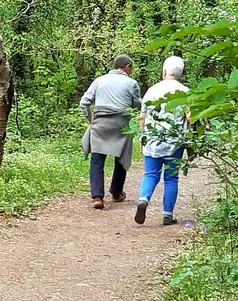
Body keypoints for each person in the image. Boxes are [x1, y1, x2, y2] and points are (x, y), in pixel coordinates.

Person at [79, 54, 142, 209]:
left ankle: (97, 197)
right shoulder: (131, 83)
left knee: (97, 159)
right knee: (121, 156)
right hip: (121, 124)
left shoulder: (99, 80)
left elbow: (84, 103)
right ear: (127, 67)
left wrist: (91, 120)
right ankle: (116, 192)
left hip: (100, 123)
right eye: (131, 68)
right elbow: (138, 106)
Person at [135, 55, 192, 227]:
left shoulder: (152, 90)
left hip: (152, 138)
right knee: (171, 178)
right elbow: (191, 117)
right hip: (174, 140)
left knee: (150, 174)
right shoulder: (185, 92)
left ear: (164, 70)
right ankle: (167, 214)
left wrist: (142, 136)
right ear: (180, 72)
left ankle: (143, 199)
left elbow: (142, 116)